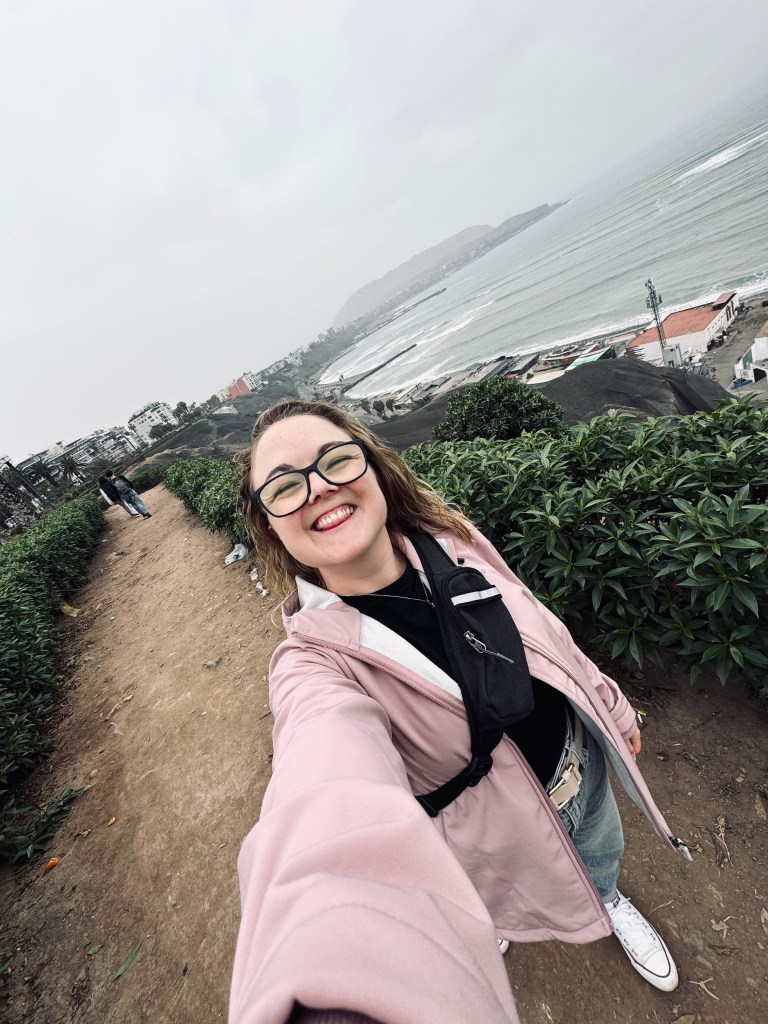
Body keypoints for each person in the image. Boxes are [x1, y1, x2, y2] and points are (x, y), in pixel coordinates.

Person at [229, 399, 689, 1024]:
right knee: (493, 891)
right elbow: (322, 781)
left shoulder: (452, 541)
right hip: (487, 827)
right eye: (285, 486)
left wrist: (612, 707)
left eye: (335, 460)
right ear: (269, 524)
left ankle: (607, 902)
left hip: (579, 763)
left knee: (599, 855)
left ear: (371, 466)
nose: (320, 489)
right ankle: (493, 924)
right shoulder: (313, 665)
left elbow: (544, 629)